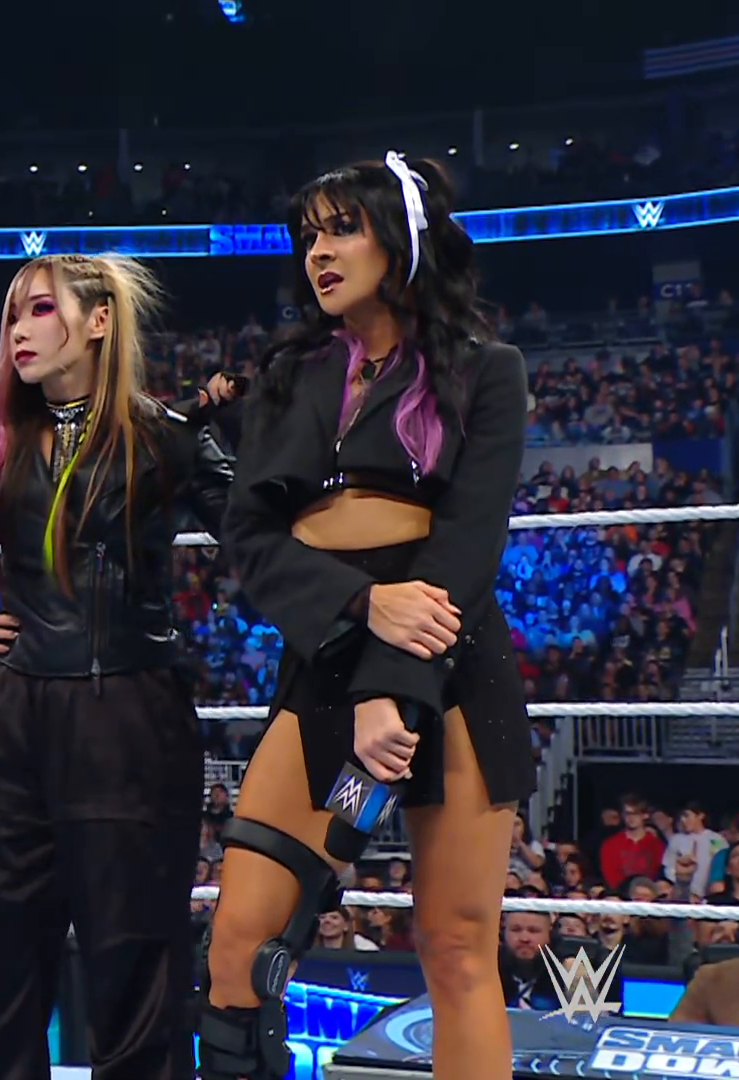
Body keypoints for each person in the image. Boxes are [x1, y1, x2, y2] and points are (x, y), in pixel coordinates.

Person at [200, 153, 532, 1080]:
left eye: (342, 229)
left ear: (402, 240)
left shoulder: (488, 372)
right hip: (328, 649)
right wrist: (359, 606)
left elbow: (464, 552)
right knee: (239, 942)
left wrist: (391, 687)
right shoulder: (289, 376)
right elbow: (249, 536)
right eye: (309, 235)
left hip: (450, 664)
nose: (319, 251)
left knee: (456, 947)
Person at [0, 253, 234, 1080]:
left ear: (99, 322)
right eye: (13, 315)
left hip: (129, 710)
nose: (19, 330)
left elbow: (257, 538)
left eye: (41, 310)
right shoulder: (0, 441)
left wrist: (239, 441)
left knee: (133, 950)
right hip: (16, 713)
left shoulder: (164, 433)